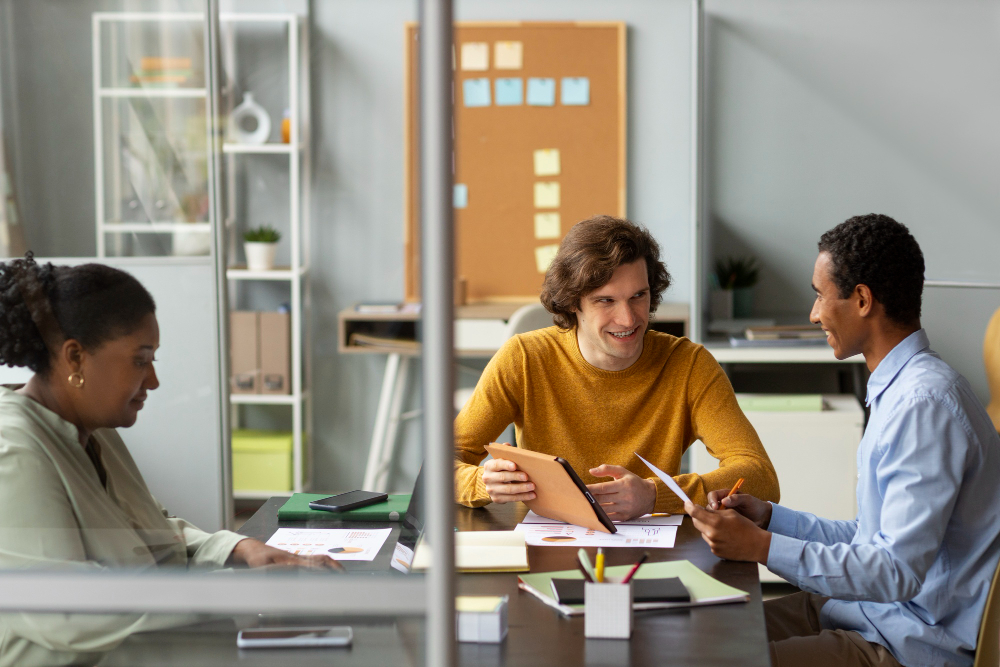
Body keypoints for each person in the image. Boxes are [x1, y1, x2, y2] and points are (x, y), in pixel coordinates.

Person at [686, 214, 1000, 667]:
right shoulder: (901, 390)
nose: (814, 313)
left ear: (862, 300)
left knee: (724, 658)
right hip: (871, 614)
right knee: (704, 634)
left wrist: (759, 547)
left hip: (907, 644)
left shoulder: (924, 405)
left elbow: (894, 571)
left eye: (819, 294)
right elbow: (868, 538)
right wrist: (769, 520)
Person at [0, 254, 339, 661]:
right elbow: (69, 611)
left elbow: (150, 529)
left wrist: (237, 549)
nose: (154, 381)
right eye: (140, 360)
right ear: (75, 358)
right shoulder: (14, 452)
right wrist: (238, 592)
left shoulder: (93, 428)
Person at [454, 215, 779, 519]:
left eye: (639, 296)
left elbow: (759, 475)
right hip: (547, 545)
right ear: (572, 302)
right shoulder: (524, 358)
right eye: (606, 301)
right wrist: (484, 481)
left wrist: (656, 494)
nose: (628, 319)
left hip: (651, 548)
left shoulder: (689, 365)